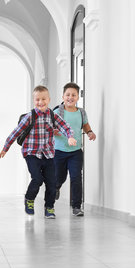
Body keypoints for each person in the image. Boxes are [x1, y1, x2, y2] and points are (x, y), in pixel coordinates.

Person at [0, 85, 76, 219]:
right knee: (37, 178)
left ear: (49, 100)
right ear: (34, 100)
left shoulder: (53, 115)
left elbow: (65, 126)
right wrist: (6, 147)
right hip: (32, 153)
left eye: (43, 99)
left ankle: (49, 208)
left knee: (52, 183)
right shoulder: (29, 117)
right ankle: (29, 199)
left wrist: (69, 136)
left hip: (48, 154)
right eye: (37, 100)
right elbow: (16, 132)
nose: (40, 102)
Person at [53, 82, 96, 217]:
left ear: (77, 97)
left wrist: (89, 132)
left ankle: (76, 206)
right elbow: (49, 127)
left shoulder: (81, 112)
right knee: (60, 177)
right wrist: (54, 131)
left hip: (76, 151)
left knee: (76, 177)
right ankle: (56, 188)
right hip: (59, 151)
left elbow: (85, 125)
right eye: (68, 95)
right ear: (63, 96)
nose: (70, 97)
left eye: (73, 95)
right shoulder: (57, 112)